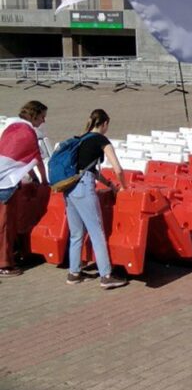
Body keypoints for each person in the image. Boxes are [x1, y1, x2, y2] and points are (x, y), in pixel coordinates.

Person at [64, 109, 128, 288]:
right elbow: (118, 169)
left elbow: (88, 169)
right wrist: (122, 186)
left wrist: (109, 184)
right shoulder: (101, 140)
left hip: (69, 187)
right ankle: (106, 275)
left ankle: (74, 273)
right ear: (105, 123)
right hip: (84, 188)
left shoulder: (81, 139)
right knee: (97, 232)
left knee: (76, 233)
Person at [0, 100, 50, 277]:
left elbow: (21, 159)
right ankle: (5, 264)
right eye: (42, 117)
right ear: (35, 116)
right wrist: (44, 181)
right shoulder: (28, 132)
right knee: (6, 225)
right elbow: (36, 159)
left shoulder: (10, 127)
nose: (43, 121)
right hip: (7, 184)